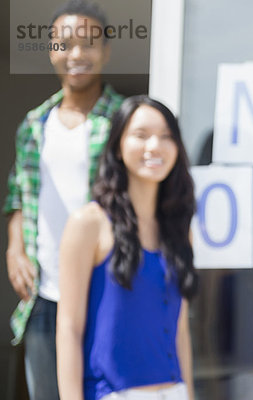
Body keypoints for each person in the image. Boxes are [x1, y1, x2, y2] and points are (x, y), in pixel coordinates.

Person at [4, 1, 122, 399]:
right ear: (51, 51)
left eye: (88, 44)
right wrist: (14, 248)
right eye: (64, 44)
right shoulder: (34, 126)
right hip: (43, 294)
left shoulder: (124, 123)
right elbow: (17, 196)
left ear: (105, 51)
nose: (76, 54)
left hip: (103, 292)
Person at [56, 95, 198, 400]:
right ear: (118, 147)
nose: (154, 146)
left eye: (166, 136)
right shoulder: (88, 223)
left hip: (173, 391)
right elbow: (68, 328)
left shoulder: (179, 231)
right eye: (141, 135)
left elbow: (180, 329)